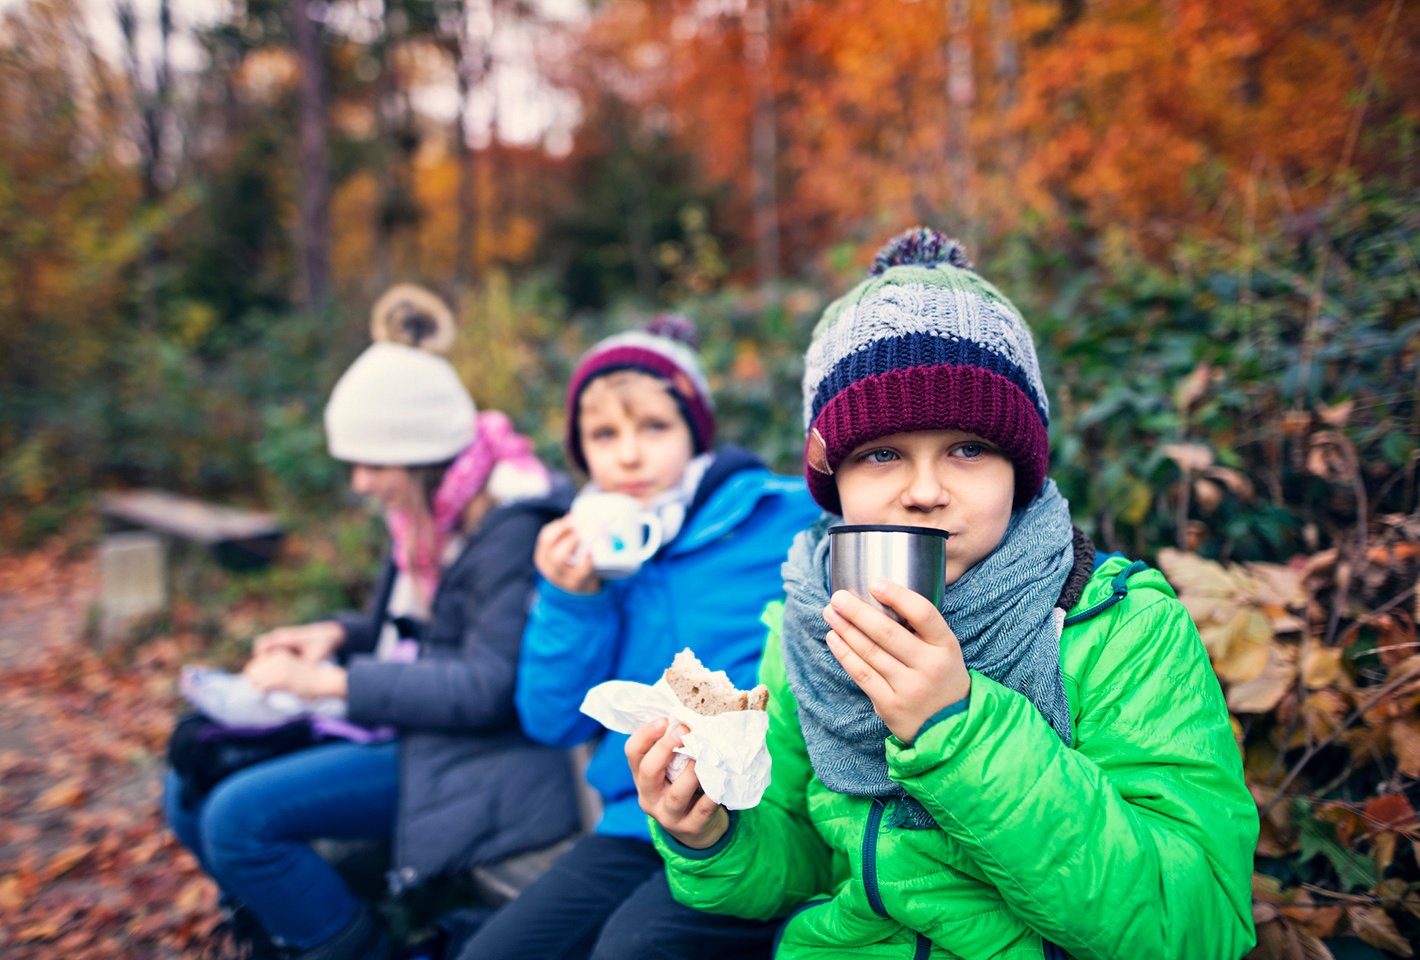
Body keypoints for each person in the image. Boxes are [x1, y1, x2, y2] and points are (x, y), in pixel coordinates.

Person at [629, 229, 1259, 959]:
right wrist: (713, 832)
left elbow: (1198, 923)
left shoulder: (1118, 629)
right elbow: (799, 859)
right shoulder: (809, 619)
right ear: (835, 487)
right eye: (882, 454)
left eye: (968, 449)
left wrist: (959, 731)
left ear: (1019, 469)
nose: (925, 492)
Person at [164, 285, 580, 960]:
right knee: (190, 776)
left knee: (238, 819)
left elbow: (486, 686)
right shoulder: (429, 516)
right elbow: (417, 632)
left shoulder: (507, 530)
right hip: (414, 728)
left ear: (423, 455)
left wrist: (325, 684)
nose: (358, 482)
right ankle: (283, 926)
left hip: (480, 756)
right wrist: (333, 633)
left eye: (371, 463)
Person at [455, 316, 822, 960]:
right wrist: (571, 600)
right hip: (637, 820)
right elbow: (550, 720)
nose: (628, 455)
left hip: (762, 813)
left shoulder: (777, 511)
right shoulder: (587, 554)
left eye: (654, 427)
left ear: (695, 431)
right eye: (603, 434)